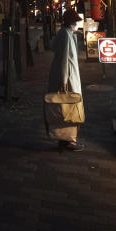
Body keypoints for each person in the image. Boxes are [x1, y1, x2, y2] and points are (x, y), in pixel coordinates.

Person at [46, 8, 84, 151]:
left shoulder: (65, 34)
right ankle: (69, 141)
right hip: (67, 78)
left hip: (64, 76)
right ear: (72, 23)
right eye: (76, 22)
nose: (78, 25)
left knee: (64, 108)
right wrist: (63, 81)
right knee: (70, 108)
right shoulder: (66, 35)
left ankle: (64, 138)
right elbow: (64, 60)